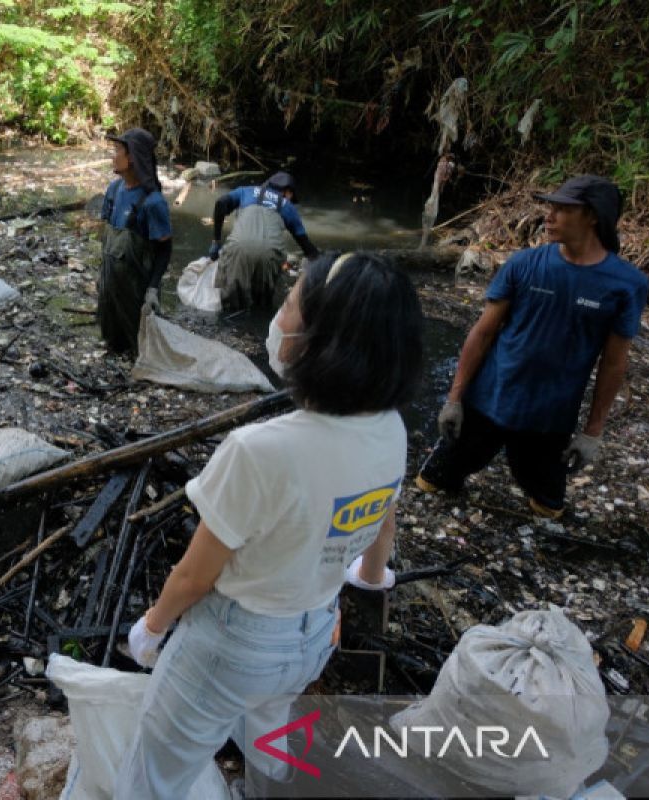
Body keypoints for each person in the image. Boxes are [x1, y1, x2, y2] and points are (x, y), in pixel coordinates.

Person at [114, 251, 424, 799]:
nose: (279, 319)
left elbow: (196, 575)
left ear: (321, 341)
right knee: (273, 745)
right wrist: (371, 577)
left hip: (233, 641)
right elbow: (383, 516)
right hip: (311, 635)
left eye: (288, 305)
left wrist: (153, 628)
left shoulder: (261, 450)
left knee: (156, 769)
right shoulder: (391, 429)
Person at [417, 175, 649, 519]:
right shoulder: (524, 264)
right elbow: (482, 334)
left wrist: (592, 433)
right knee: (429, 485)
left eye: (561, 209)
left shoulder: (627, 284)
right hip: (488, 401)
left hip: (550, 418)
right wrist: (454, 399)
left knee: (548, 508)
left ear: (593, 216)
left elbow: (614, 363)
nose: (548, 216)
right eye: (549, 207)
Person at [97, 128, 172, 356]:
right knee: (112, 341)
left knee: (141, 348)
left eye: (118, 150)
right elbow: (107, 232)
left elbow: (164, 249)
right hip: (111, 283)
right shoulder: (114, 189)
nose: (114, 155)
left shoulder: (153, 202)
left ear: (132, 158)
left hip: (136, 289)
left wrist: (153, 289)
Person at [207, 171, 318, 311]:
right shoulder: (287, 207)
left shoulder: (245, 191)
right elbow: (307, 247)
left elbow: (220, 203)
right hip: (270, 255)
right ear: (288, 192)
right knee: (261, 307)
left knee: (230, 303)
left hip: (238, 248)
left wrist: (216, 241)